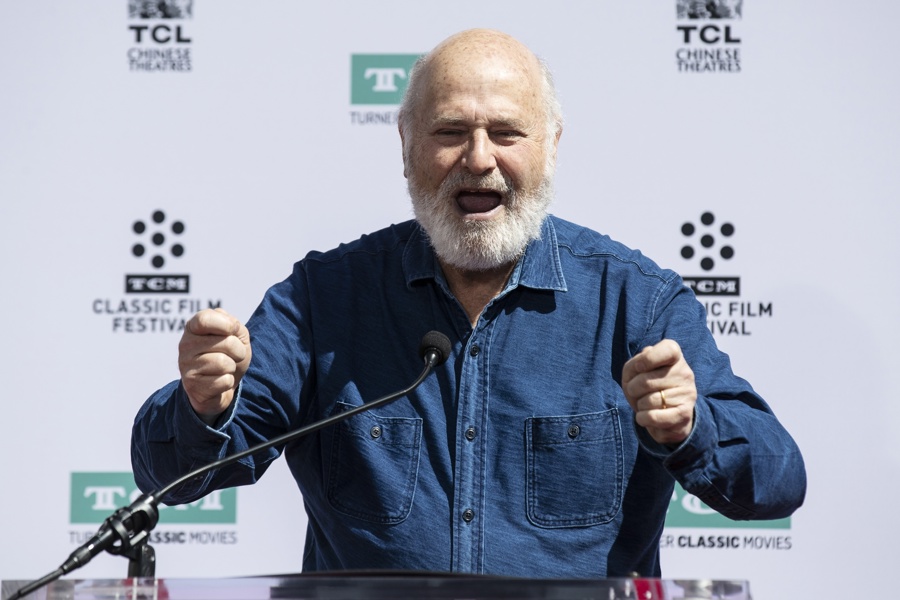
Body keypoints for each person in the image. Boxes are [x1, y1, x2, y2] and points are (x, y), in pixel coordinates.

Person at [131, 28, 805, 577]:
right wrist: (203, 404)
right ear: (406, 145)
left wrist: (690, 429)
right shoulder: (323, 299)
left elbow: (778, 481)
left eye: (507, 133)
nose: (478, 159)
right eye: (451, 130)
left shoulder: (637, 301)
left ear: (551, 147)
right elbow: (170, 475)